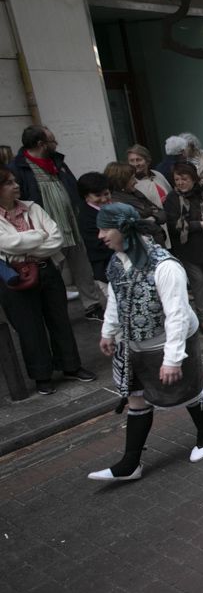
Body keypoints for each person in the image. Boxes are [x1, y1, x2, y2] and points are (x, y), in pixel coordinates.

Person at [87, 204, 203, 482]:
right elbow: (116, 298)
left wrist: (172, 359)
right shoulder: (116, 261)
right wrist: (108, 332)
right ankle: (130, 463)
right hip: (133, 344)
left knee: (188, 391)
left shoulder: (165, 266)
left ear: (123, 229)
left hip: (170, 340)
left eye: (104, 228)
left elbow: (177, 314)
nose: (100, 235)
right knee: (137, 398)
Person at [0, 168, 95, 395]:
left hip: (47, 270)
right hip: (16, 275)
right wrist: (37, 235)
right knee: (29, 326)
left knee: (59, 319)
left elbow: (56, 238)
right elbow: (6, 243)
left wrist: (25, 242)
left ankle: (71, 365)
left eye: (15, 181)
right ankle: (42, 376)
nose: (16, 185)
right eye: (9, 183)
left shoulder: (33, 207)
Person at [8, 125, 105, 320]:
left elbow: (72, 186)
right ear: (41, 144)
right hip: (46, 231)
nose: (56, 143)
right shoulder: (19, 168)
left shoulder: (58, 161)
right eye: (52, 141)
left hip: (72, 225)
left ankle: (92, 306)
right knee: (52, 273)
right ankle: (55, 312)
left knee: (82, 268)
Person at [163, 161, 203, 337]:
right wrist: (201, 224)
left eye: (184, 179)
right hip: (187, 248)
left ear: (193, 179)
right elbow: (173, 223)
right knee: (197, 281)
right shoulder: (172, 198)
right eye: (177, 179)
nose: (180, 182)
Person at [104, 161, 167, 246]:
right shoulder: (116, 204)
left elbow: (162, 213)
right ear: (121, 181)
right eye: (132, 178)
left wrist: (153, 218)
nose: (136, 182)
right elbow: (139, 227)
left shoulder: (135, 193)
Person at [75, 172, 114, 288]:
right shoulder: (86, 218)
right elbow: (99, 246)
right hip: (106, 269)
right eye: (97, 195)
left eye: (106, 194)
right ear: (86, 196)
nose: (103, 199)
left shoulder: (113, 207)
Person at [126, 144, 172, 210]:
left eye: (138, 160)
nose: (135, 164)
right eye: (132, 161)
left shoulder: (157, 174)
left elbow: (170, 193)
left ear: (147, 161)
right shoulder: (130, 183)